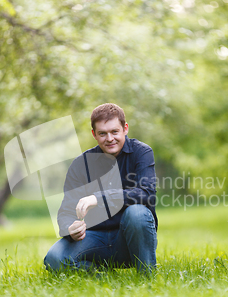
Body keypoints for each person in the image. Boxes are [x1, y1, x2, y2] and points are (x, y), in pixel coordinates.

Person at [44, 103, 157, 274]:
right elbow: (65, 212)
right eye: (102, 133)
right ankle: (101, 274)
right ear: (94, 134)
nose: (109, 138)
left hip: (131, 239)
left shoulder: (141, 152)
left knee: (137, 213)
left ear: (125, 128)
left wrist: (99, 198)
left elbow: (146, 193)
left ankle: (147, 277)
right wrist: (70, 229)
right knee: (54, 259)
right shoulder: (80, 164)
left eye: (114, 132)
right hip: (94, 239)